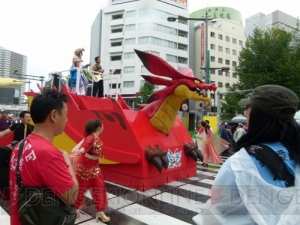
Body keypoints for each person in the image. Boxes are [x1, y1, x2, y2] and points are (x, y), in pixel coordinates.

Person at [193, 85, 300, 225]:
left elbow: (216, 208)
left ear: (257, 116)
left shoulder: (239, 164)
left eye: (248, 109)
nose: (246, 113)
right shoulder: (295, 150)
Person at [9, 88, 79, 225]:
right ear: (54, 115)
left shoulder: (20, 146)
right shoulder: (48, 153)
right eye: (65, 114)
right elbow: (71, 196)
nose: (67, 119)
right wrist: (67, 161)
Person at [73, 119, 110, 223]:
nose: (103, 128)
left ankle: (100, 211)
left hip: (95, 168)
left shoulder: (96, 137)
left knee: (100, 188)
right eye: (102, 126)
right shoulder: (91, 137)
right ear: (98, 127)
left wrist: (84, 151)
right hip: (85, 169)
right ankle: (73, 209)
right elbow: (86, 144)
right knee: (81, 189)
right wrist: (82, 150)